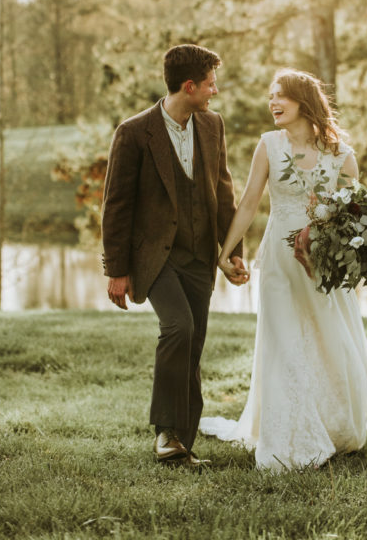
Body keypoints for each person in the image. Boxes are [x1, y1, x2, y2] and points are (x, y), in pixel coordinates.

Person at [201, 68, 367, 470]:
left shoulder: (342, 157)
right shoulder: (269, 145)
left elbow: (355, 216)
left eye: (280, 95)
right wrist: (225, 252)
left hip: (323, 265)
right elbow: (248, 202)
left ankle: (332, 424)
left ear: (304, 101)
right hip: (279, 262)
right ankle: (288, 436)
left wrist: (324, 237)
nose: (272, 103)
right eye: (270, 96)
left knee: (326, 339)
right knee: (283, 342)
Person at [101, 44, 249, 467]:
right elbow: (116, 205)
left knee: (194, 341)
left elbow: (223, 191)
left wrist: (231, 251)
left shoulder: (211, 126)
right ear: (190, 86)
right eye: (210, 84)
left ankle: (181, 443)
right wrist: (117, 271)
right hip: (156, 258)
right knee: (178, 327)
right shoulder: (134, 132)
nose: (214, 91)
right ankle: (166, 433)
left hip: (200, 256)